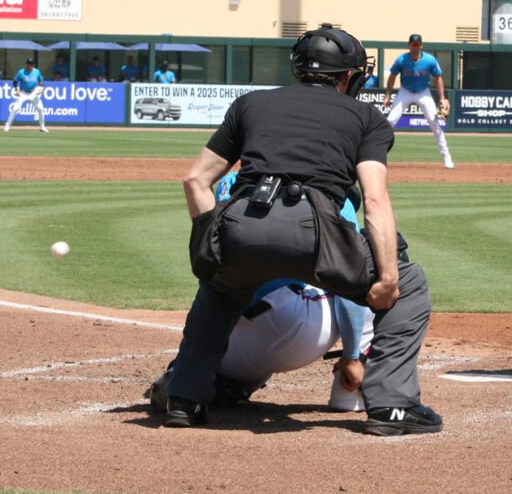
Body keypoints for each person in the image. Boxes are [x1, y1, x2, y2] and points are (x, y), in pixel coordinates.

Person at [161, 23, 440, 436]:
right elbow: (375, 201)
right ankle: (392, 407)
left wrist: (211, 245)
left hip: (243, 222)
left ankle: (184, 400)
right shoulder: (367, 117)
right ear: (347, 76)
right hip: (317, 232)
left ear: (298, 70)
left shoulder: (250, 103)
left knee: (221, 289)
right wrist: (387, 279)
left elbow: (195, 181)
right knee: (410, 285)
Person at [148, 172, 379, 415]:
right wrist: (352, 356)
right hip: (294, 332)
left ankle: (199, 379)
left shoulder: (231, 181)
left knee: (230, 288)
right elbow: (348, 279)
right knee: (376, 260)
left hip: (223, 342)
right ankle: (349, 391)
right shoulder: (330, 188)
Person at [383, 34, 453, 169]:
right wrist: (388, 95)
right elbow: (392, 76)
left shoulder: (429, 60)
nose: (415, 46)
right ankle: (378, 154)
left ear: (421, 45)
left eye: (417, 44)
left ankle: (446, 156)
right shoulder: (402, 59)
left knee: (434, 123)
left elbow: (438, 77)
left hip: (423, 92)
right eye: (413, 44)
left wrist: (442, 97)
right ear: (409, 45)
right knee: (390, 121)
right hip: (405, 91)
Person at [5, 57, 48, 133]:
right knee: (15, 108)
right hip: (23, 92)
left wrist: (41, 85)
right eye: (29, 64)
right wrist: (16, 90)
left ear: (33, 64)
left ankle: (42, 127)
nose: (30, 65)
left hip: (33, 92)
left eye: (31, 64)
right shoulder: (21, 72)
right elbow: (15, 81)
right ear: (26, 64)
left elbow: (41, 81)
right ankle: (7, 126)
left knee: (40, 109)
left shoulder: (37, 72)